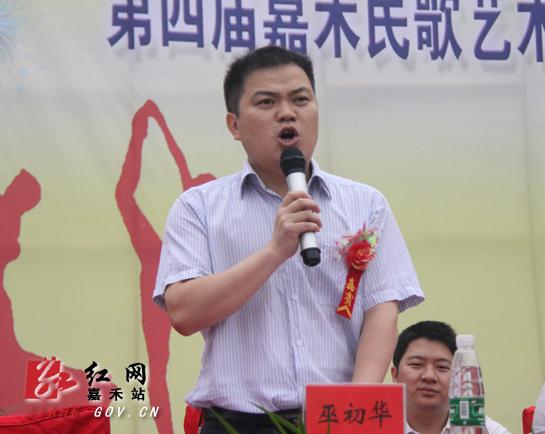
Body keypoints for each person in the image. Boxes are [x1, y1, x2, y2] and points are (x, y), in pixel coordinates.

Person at [154, 45, 424, 434]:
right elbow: (183, 312)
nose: (287, 112)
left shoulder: (366, 204)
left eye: (300, 99)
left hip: (337, 421)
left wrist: (357, 408)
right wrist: (274, 251)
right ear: (234, 125)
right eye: (267, 102)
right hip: (237, 424)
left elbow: (382, 309)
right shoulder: (199, 207)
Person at [391, 321, 511, 434]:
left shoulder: (485, 430)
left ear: (458, 377)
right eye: (416, 364)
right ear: (395, 374)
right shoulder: (380, 426)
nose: (429, 376)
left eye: (442, 367)